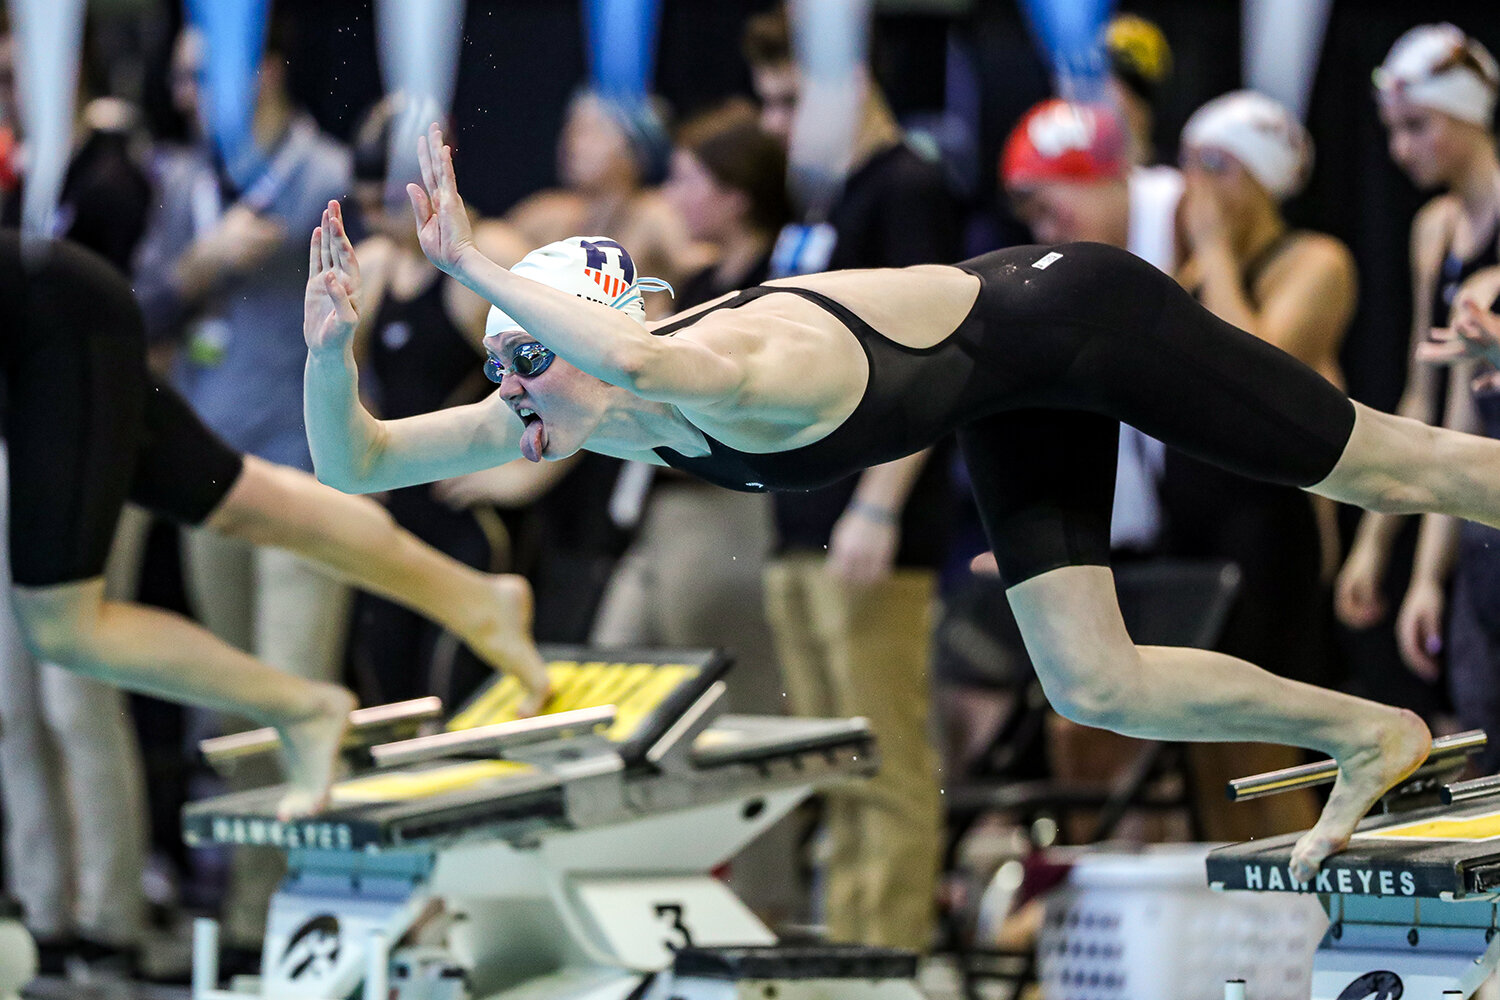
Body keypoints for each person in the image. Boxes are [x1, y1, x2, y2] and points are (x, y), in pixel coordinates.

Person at [304, 123, 1493, 884]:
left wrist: (472, 259)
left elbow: (653, 364)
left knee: (1380, 467)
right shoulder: (568, 406)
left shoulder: (732, 361)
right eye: (503, 364)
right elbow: (356, 464)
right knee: (1098, 683)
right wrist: (326, 356)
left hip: (1075, 316)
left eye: (530, 360)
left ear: (605, 340)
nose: (510, 395)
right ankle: (1370, 730)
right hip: (1007, 398)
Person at [742, 5, 955, 950]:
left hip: (871, 526)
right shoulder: (824, 202)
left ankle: (892, 955)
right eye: (768, 105)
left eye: (791, 101)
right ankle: (850, 950)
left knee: (885, 761)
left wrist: (878, 504)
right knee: (831, 763)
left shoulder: (908, 189)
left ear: (849, 81)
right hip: (803, 516)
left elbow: (937, 361)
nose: (777, 126)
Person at [1163, 90, 1357, 839]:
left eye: (1216, 166)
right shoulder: (1183, 278)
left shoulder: (1316, 261)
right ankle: (1238, 931)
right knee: (1205, 755)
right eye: (1188, 166)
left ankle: (1307, 922)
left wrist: (1212, 251)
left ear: (1264, 176)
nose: (1195, 188)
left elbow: (1255, 378)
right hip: (1197, 532)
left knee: (1260, 750)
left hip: (1266, 532)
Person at [1335, 24, 1500, 764]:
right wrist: (1390, 552)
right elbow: (1430, 406)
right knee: (1483, 725)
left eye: (1417, 125)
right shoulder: (1434, 231)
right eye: (1393, 130)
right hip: (1475, 509)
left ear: (1469, 112)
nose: (1402, 149)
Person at [343, 96, 531, 706]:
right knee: (389, 689)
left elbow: (583, 371)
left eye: (383, 203)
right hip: (400, 514)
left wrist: (523, 478)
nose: (371, 217)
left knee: (458, 699)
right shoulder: (376, 266)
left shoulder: (491, 254)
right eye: (363, 202)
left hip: (468, 517)